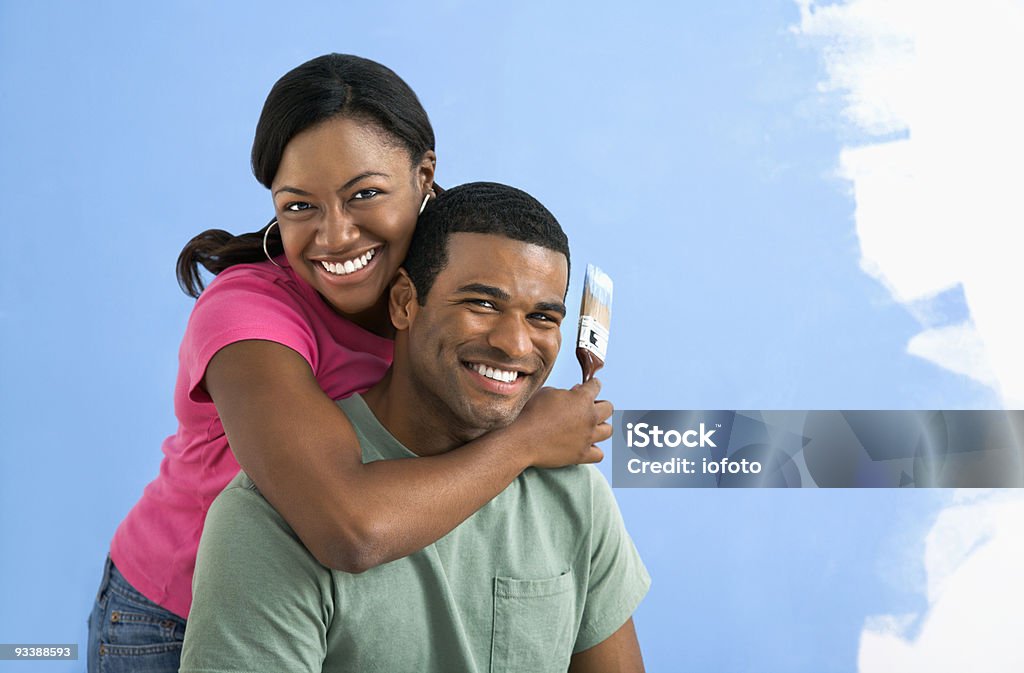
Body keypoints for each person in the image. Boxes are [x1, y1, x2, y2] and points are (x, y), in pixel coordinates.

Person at [87, 55, 612, 672]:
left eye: (364, 194)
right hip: (176, 615)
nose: (335, 236)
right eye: (300, 206)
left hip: (351, 597)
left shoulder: (449, 279)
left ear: (424, 177)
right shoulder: (247, 316)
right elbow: (349, 527)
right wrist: (527, 438)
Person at [180, 182, 650, 672]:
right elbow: (354, 534)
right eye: (482, 304)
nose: (514, 345)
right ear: (405, 302)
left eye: (542, 316)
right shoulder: (271, 519)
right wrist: (524, 442)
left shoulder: (575, 494)